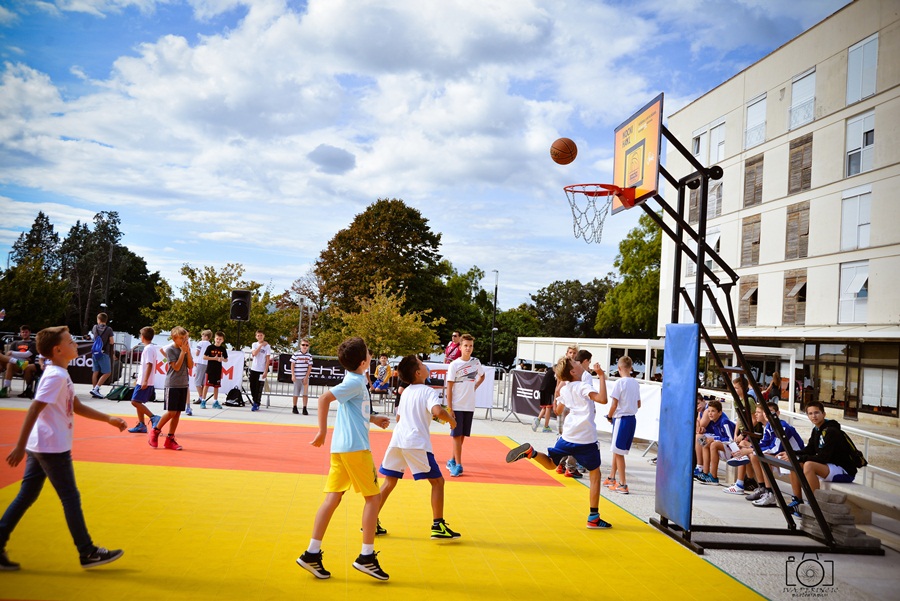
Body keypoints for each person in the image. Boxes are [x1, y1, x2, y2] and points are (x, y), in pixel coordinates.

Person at [0, 326, 127, 570]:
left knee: (27, 495)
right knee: (70, 497)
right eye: (70, 342)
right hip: (51, 447)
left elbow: (75, 405)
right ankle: (87, 551)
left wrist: (108, 419)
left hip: (44, 445)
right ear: (58, 350)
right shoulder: (55, 375)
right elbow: (35, 408)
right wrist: (19, 445)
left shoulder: (60, 373)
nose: (75, 345)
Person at [296, 337, 391, 581]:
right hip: (355, 448)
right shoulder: (356, 382)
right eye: (369, 353)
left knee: (332, 498)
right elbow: (324, 399)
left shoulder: (355, 381)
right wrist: (322, 431)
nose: (371, 355)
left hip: (341, 449)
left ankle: (311, 553)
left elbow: (354, 409)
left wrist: (373, 418)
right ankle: (366, 557)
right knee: (373, 498)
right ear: (363, 362)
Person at [506, 356, 612, 529]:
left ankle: (531, 453)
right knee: (595, 474)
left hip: (568, 436)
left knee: (550, 463)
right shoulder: (583, 386)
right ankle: (593, 517)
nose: (579, 362)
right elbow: (602, 399)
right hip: (585, 439)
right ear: (573, 371)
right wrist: (600, 376)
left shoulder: (565, 389)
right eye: (576, 363)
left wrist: (558, 391)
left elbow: (558, 410)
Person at [377, 355, 460, 540]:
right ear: (418, 372)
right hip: (415, 442)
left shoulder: (406, 392)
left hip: (397, 440)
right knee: (438, 482)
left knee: (389, 482)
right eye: (422, 364)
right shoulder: (428, 391)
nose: (425, 366)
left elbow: (399, 418)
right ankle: (438, 525)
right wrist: (451, 420)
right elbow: (438, 411)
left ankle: (370, 520)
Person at [776, 400, 859, 510]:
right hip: (829, 467)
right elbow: (809, 450)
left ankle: (814, 504)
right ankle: (797, 500)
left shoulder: (831, 431)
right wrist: (791, 454)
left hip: (844, 470)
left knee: (809, 465)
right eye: (810, 414)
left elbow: (824, 457)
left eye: (816, 413)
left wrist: (800, 457)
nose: (813, 416)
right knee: (794, 463)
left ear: (823, 414)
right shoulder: (816, 430)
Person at [728, 402, 804, 508]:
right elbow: (764, 444)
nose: (768, 415)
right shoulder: (769, 426)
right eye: (766, 412)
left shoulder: (782, 426)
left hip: (796, 457)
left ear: (778, 413)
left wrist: (749, 451)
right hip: (783, 455)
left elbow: (774, 448)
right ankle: (765, 490)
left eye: (771, 412)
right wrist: (749, 449)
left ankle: (770, 494)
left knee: (764, 458)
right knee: (758, 455)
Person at [445, 333, 485, 478]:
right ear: (460, 347)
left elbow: (482, 375)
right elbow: (449, 387)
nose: (468, 348)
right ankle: (458, 465)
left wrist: (474, 386)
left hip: (469, 405)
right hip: (457, 405)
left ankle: (452, 460)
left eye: (471, 346)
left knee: (462, 436)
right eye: (466, 346)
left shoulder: (476, 362)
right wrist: (450, 408)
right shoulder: (454, 365)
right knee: (456, 435)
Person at [149, 327, 192, 450]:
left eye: (186, 338)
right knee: (171, 411)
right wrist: (183, 353)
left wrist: (187, 352)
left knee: (177, 413)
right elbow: (176, 367)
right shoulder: (171, 350)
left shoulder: (185, 349)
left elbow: (190, 365)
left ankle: (170, 438)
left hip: (183, 383)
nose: (185, 341)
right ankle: (155, 430)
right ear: (174, 338)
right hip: (172, 384)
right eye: (182, 338)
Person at [604, 356, 642, 494]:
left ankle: (623, 483)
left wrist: (609, 416)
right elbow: (639, 403)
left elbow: (614, 404)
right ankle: (612, 477)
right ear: (631, 367)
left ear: (619, 368)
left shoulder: (619, 383)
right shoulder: (635, 383)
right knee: (617, 450)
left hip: (621, 419)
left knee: (619, 453)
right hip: (632, 419)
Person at [127, 326, 162, 434]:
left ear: (142, 337)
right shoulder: (151, 348)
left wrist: (145, 380)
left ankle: (153, 417)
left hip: (145, 380)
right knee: (138, 401)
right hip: (143, 379)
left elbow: (149, 365)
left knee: (134, 402)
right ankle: (141, 424)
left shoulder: (148, 349)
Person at [553, 345, 580, 476]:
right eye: (570, 352)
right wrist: (555, 401)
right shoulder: (563, 367)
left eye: (574, 353)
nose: (572, 354)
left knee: (568, 433)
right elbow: (557, 387)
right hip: (564, 401)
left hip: (569, 402)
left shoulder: (576, 367)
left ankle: (563, 463)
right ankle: (564, 463)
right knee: (564, 433)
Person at [695, 400, 735, 485]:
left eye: (713, 411)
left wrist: (714, 439)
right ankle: (705, 473)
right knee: (703, 441)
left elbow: (731, 440)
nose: (710, 413)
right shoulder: (714, 422)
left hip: (732, 449)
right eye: (708, 411)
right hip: (724, 447)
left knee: (713, 444)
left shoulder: (724, 421)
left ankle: (713, 477)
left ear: (720, 412)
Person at [0, 325, 39, 399]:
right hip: (14, 362)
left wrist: (12, 352)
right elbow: (8, 354)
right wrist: (17, 355)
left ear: (29, 333)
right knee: (6, 361)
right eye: (23, 332)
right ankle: (16, 361)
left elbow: (28, 354)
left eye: (26, 332)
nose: (24, 333)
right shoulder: (15, 343)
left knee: (10, 363)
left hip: (24, 365)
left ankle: (5, 389)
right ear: (20, 333)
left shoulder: (33, 343)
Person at [88, 313, 114, 399]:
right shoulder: (109, 329)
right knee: (107, 372)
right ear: (106, 320)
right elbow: (111, 342)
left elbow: (92, 337)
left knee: (95, 371)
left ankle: (94, 389)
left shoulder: (94, 327)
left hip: (95, 352)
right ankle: (96, 389)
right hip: (103, 352)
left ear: (98, 319)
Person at [202, 331, 227, 409]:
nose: (218, 340)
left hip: (218, 370)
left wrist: (221, 359)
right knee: (206, 385)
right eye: (217, 339)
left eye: (220, 339)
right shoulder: (210, 347)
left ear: (222, 340)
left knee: (216, 386)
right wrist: (214, 358)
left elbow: (226, 359)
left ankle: (215, 401)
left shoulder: (223, 349)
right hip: (210, 369)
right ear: (214, 339)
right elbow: (204, 357)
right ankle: (203, 400)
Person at [248, 330, 270, 411]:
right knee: (252, 386)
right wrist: (260, 346)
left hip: (262, 369)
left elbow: (268, 359)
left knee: (259, 387)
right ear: (256, 336)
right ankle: (254, 400)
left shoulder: (267, 346)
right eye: (258, 335)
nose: (260, 337)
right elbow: (254, 354)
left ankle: (256, 403)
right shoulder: (254, 344)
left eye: (261, 335)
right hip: (254, 368)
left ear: (263, 336)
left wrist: (265, 371)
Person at [290, 339, 313, 415]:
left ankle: (304, 408)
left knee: (305, 393)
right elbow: (292, 364)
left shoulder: (309, 356)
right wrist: (293, 375)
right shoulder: (296, 354)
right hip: (297, 377)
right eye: (303, 345)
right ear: (300, 345)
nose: (305, 346)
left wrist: (306, 377)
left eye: (306, 345)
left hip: (304, 377)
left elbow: (309, 367)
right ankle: (294, 406)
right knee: (296, 393)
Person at [534, 359, 557, 434]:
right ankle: (546, 426)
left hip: (542, 389)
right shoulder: (557, 371)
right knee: (548, 407)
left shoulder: (550, 370)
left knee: (545, 406)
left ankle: (538, 419)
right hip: (549, 390)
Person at [192, 330, 212, 405]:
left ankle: (200, 397)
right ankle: (203, 397)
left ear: (206, 336)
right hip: (207, 363)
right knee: (204, 381)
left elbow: (197, 353)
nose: (201, 337)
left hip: (200, 362)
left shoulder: (201, 343)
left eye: (202, 335)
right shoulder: (210, 344)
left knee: (197, 381)